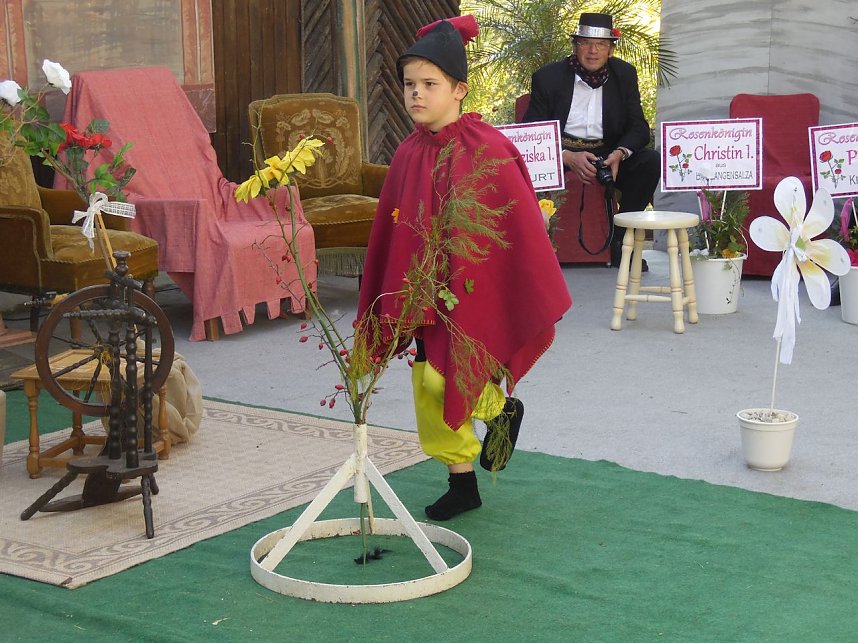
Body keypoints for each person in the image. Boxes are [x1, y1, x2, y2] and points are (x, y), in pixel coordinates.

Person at [357, 15, 572, 521]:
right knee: (426, 386)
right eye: (410, 85)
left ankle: (498, 411)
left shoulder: (488, 147)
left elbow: (512, 222)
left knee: (444, 378)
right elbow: (396, 228)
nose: (416, 95)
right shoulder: (408, 153)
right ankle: (462, 481)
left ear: (459, 89)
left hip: (470, 289)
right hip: (422, 289)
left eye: (429, 85)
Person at [522, 12, 660, 270]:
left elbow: (639, 127)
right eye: (586, 43)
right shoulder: (547, 77)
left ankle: (622, 244)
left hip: (607, 152)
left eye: (601, 45)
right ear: (575, 46)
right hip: (561, 151)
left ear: (611, 49)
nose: (593, 50)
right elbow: (531, 130)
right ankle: (536, 249)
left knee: (650, 161)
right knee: (523, 166)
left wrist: (620, 154)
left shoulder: (625, 75)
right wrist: (565, 155)